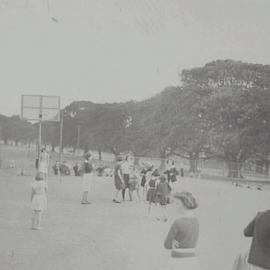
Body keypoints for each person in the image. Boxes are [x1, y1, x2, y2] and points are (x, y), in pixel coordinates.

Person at [164, 191, 200, 270]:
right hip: (192, 260)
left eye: (177, 203)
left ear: (184, 205)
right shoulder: (196, 221)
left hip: (177, 260)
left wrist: (172, 242)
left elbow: (167, 245)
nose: (175, 206)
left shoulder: (178, 222)